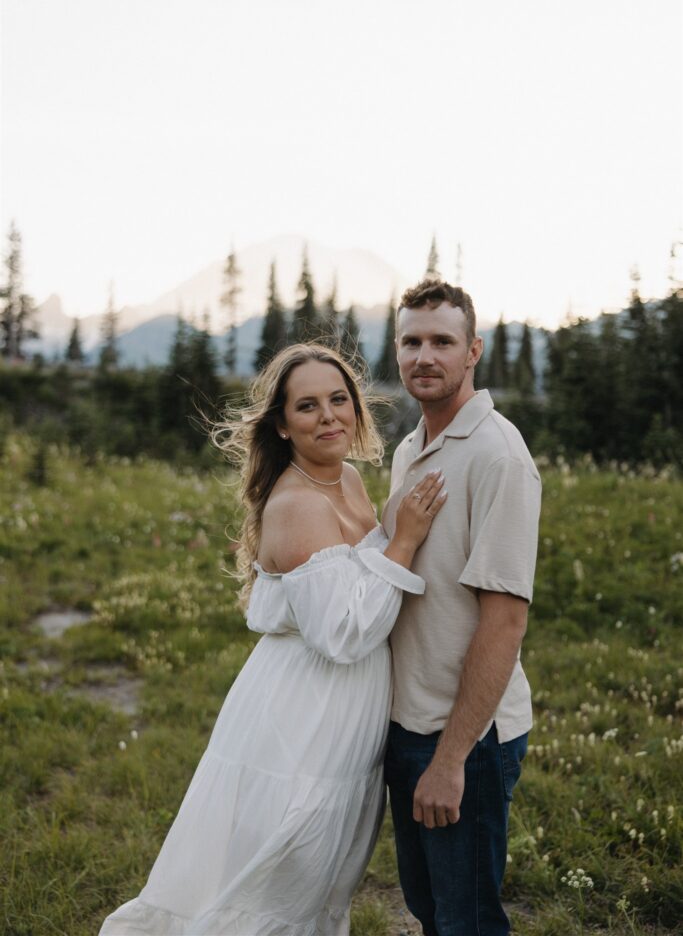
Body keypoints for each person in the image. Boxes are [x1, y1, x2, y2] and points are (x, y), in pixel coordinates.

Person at [99, 342, 446, 936]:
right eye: (307, 406)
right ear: (282, 425)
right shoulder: (296, 504)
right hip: (302, 715)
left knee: (317, 875)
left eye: (338, 399)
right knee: (279, 870)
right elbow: (341, 634)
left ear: (357, 407)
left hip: (346, 713)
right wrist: (405, 541)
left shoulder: (348, 480)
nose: (329, 416)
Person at [382, 281, 542, 936]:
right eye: (411, 342)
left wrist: (450, 761)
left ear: (472, 351)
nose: (424, 356)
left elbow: (504, 621)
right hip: (407, 724)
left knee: (466, 922)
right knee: (429, 910)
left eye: (442, 342)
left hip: (465, 738)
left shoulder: (498, 456)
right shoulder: (409, 448)